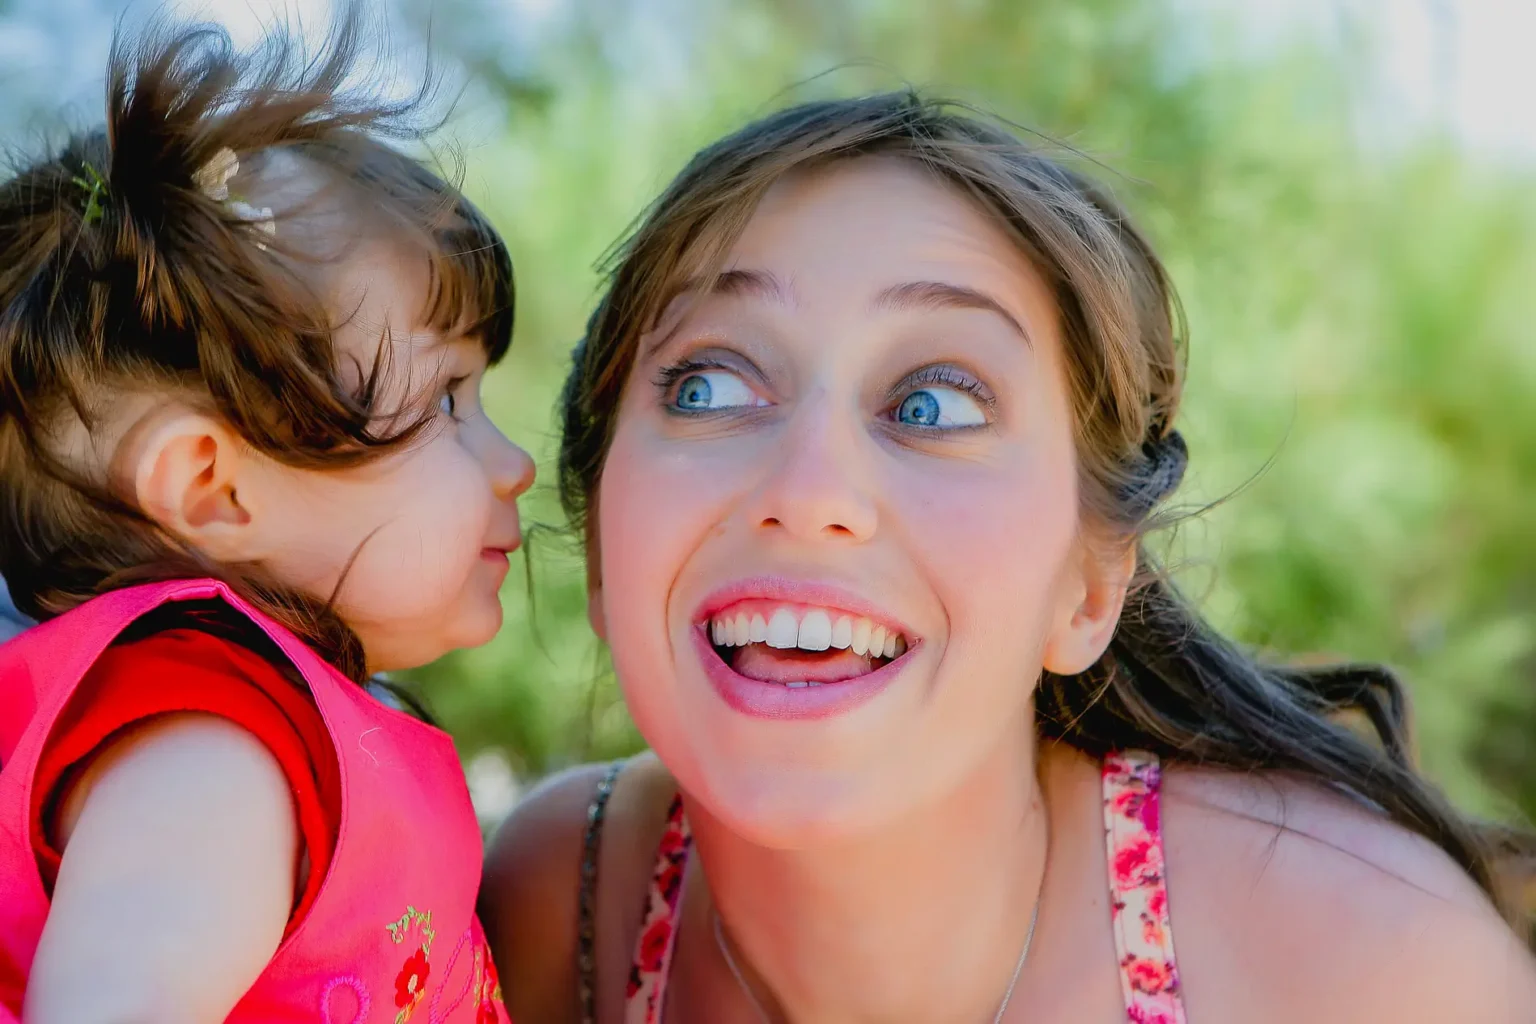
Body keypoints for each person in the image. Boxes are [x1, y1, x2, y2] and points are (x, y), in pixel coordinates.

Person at [481, 93, 1536, 1023]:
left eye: (934, 405)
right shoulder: (558, 907)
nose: (807, 492)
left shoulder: (1372, 966)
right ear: (604, 544)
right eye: (707, 385)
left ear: (1089, 586)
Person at [0, 13, 530, 1023]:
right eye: (447, 400)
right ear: (213, 486)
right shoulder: (212, 759)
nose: (516, 463)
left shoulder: (268, 727)